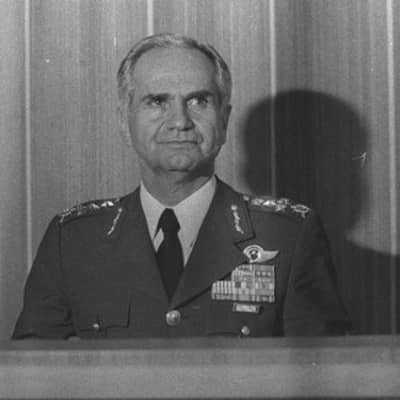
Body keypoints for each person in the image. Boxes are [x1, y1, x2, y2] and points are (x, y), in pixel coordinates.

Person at [13, 33, 349, 339]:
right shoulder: (73, 241)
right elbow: (31, 374)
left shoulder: (289, 237)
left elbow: (322, 374)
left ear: (224, 120)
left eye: (198, 101)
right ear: (124, 121)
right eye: (157, 101)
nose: (179, 122)